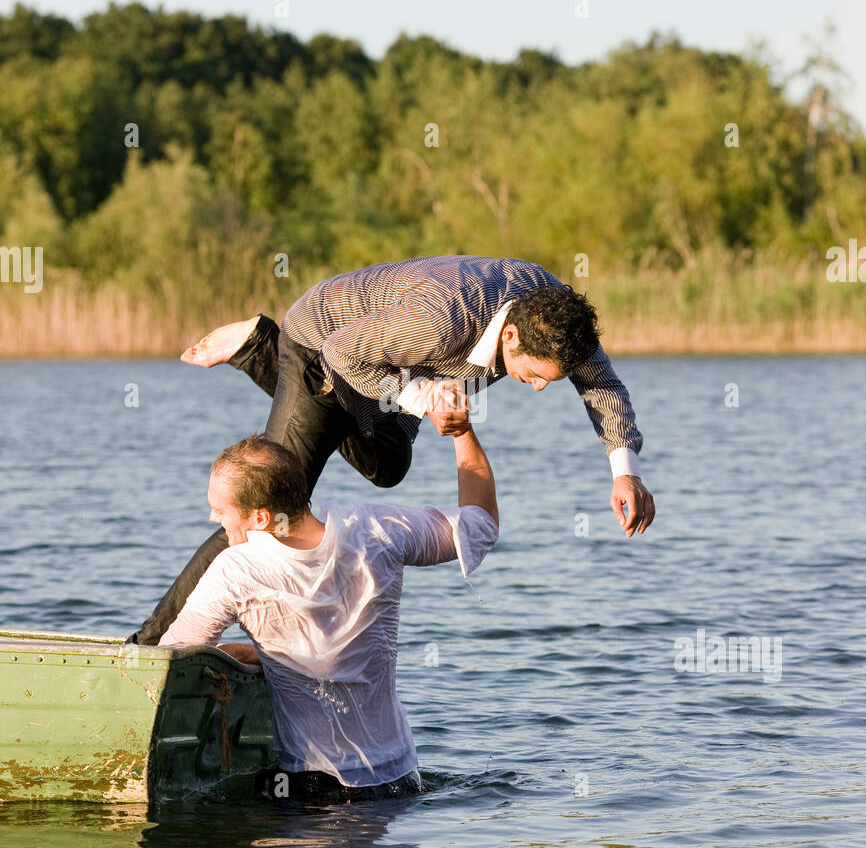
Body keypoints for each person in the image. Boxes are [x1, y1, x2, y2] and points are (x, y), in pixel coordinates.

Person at [135, 254, 653, 644]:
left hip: (396, 361)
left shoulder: (556, 316)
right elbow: (343, 353)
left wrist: (623, 470)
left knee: (388, 466)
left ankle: (262, 353)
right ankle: (149, 647)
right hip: (325, 344)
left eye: (549, 381)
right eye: (533, 376)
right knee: (269, 511)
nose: (537, 389)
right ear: (511, 334)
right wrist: (418, 396)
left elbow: (603, 386)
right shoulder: (441, 318)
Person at [157, 420, 499, 805]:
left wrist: (236, 657)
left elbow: (168, 662)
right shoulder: (378, 530)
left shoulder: (236, 570)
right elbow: (480, 527)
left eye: (221, 510)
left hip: (313, 790)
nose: (214, 518)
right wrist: (461, 432)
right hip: (400, 780)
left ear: (261, 518)